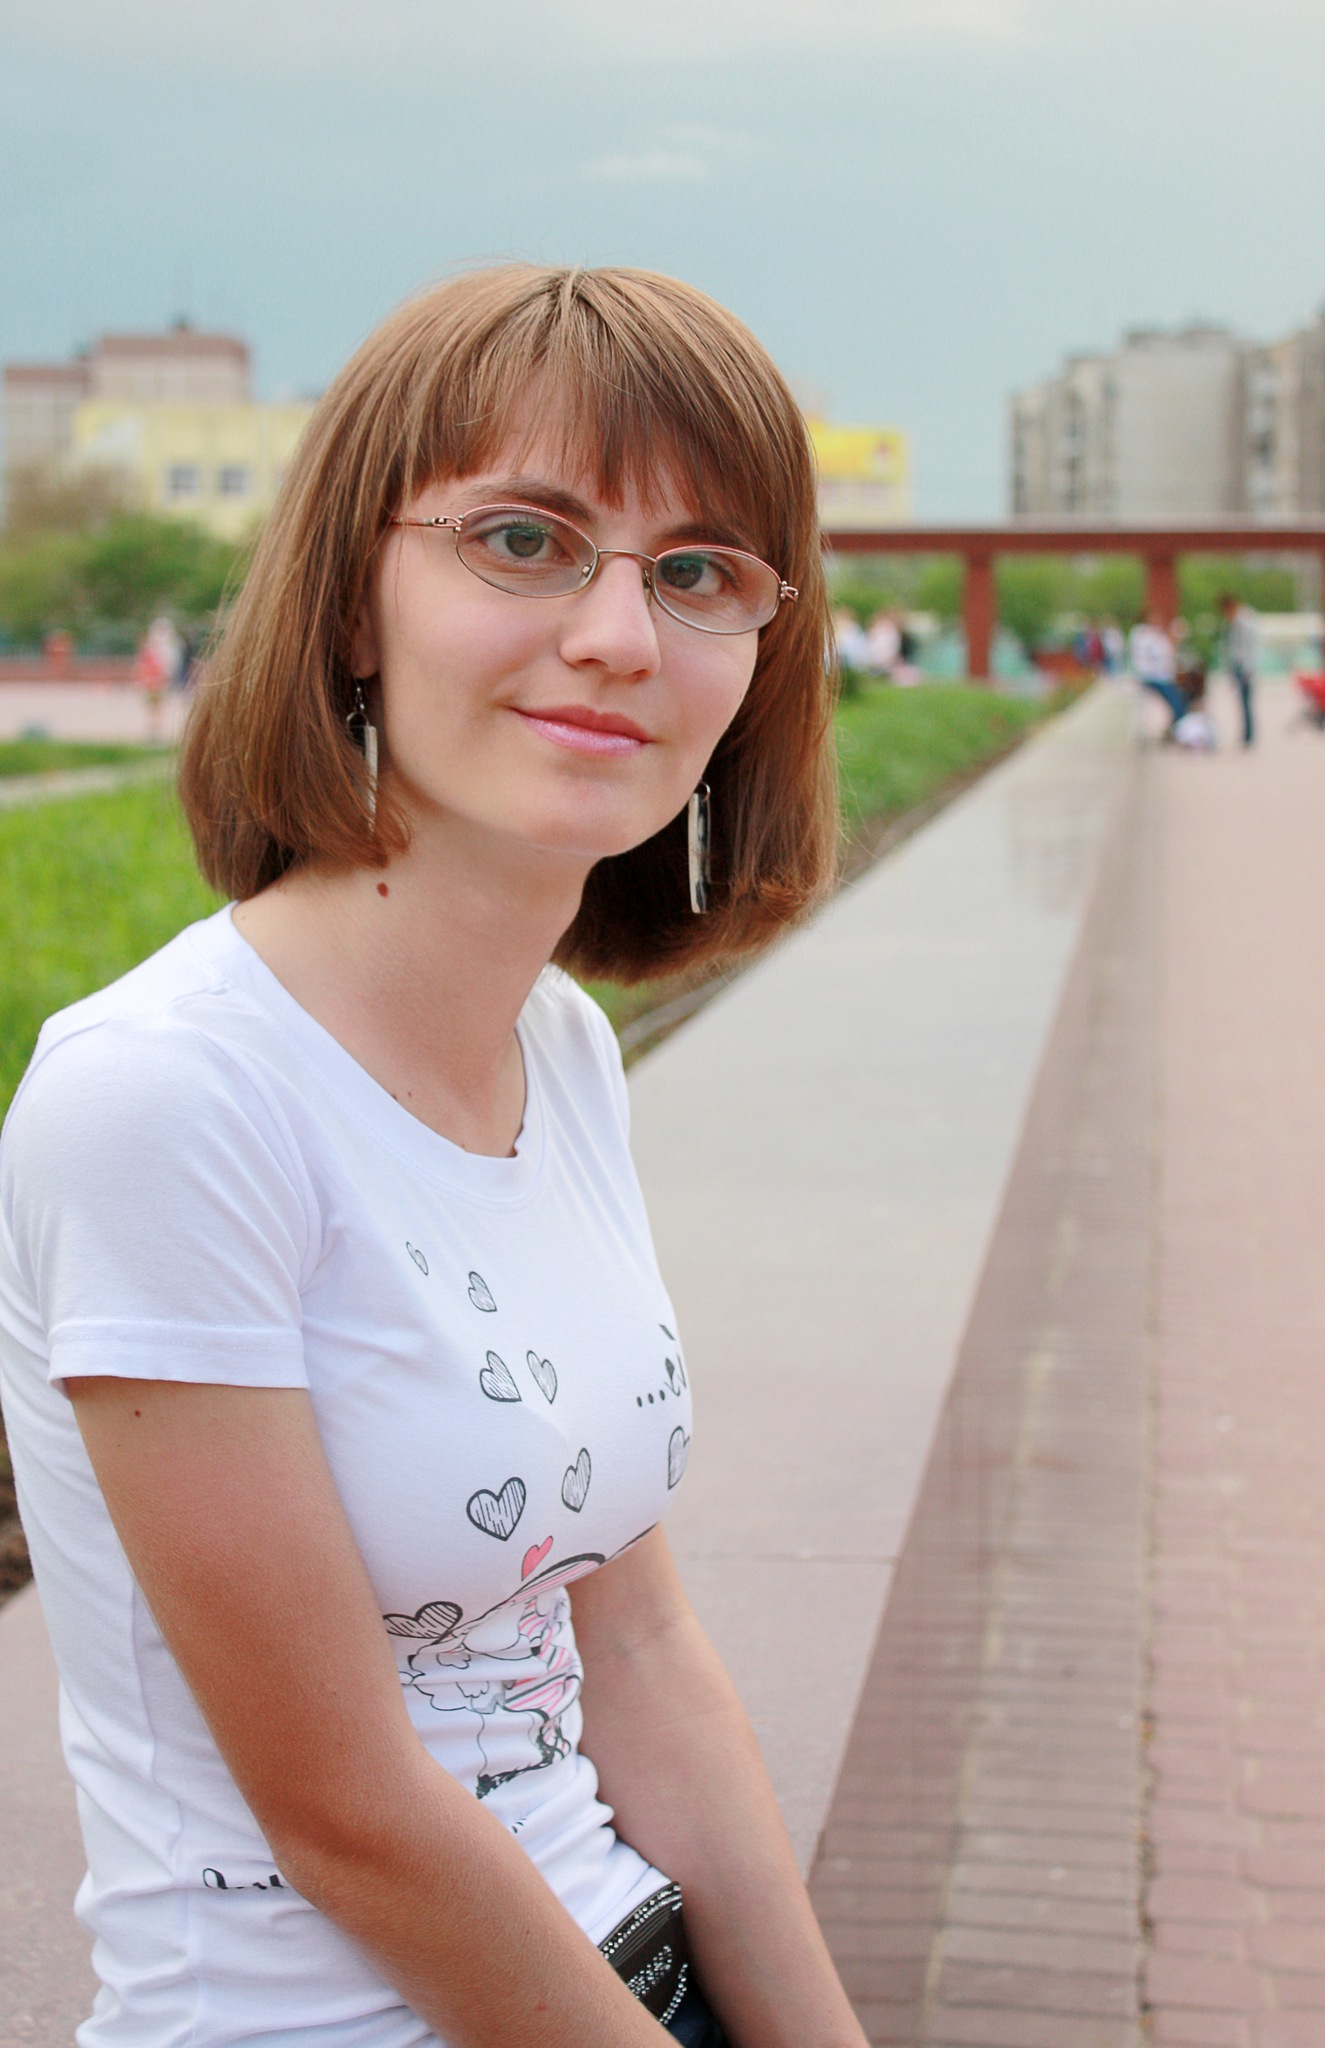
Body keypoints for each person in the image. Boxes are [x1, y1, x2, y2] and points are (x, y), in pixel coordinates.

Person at [0, 266, 869, 2048]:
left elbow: (640, 1651)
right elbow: (348, 1816)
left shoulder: (561, 1045)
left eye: (701, 571)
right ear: (351, 601)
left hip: (628, 1964)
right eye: (523, 541)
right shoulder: (169, 1099)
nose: (620, 634)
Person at [1128, 615, 1186, 736]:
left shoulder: (1150, 637)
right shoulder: (1149, 637)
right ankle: (1177, 729)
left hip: (1155, 677)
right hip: (1154, 678)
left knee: (1181, 697)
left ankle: (1175, 727)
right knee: (1178, 703)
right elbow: (1160, 660)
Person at [1219, 591, 1259, 747]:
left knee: (1246, 702)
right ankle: (1245, 735)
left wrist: (1249, 668)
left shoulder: (1245, 621)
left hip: (1244, 666)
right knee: (1242, 703)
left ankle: (1248, 736)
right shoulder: (1233, 622)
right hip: (1238, 665)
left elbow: (1250, 647)